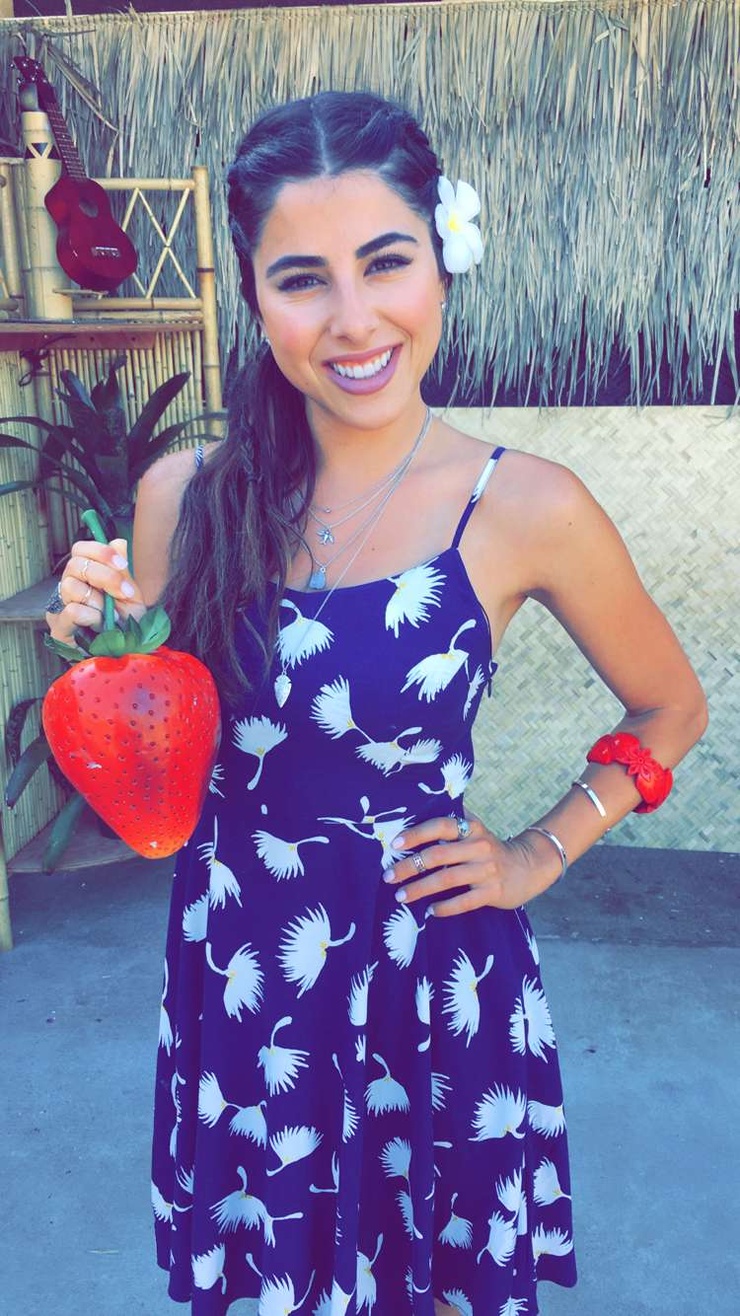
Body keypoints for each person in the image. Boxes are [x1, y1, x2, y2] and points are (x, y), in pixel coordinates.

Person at [45, 91, 707, 1316]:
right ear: (255, 298)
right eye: (303, 279)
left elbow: (669, 707)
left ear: (442, 263)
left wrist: (538, 850)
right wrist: (102, 661)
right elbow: (155, 780)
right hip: (249, 969)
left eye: (385, 262)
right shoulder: (185, 495)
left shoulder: (523, 505)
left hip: (429, 973)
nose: (353, 321)